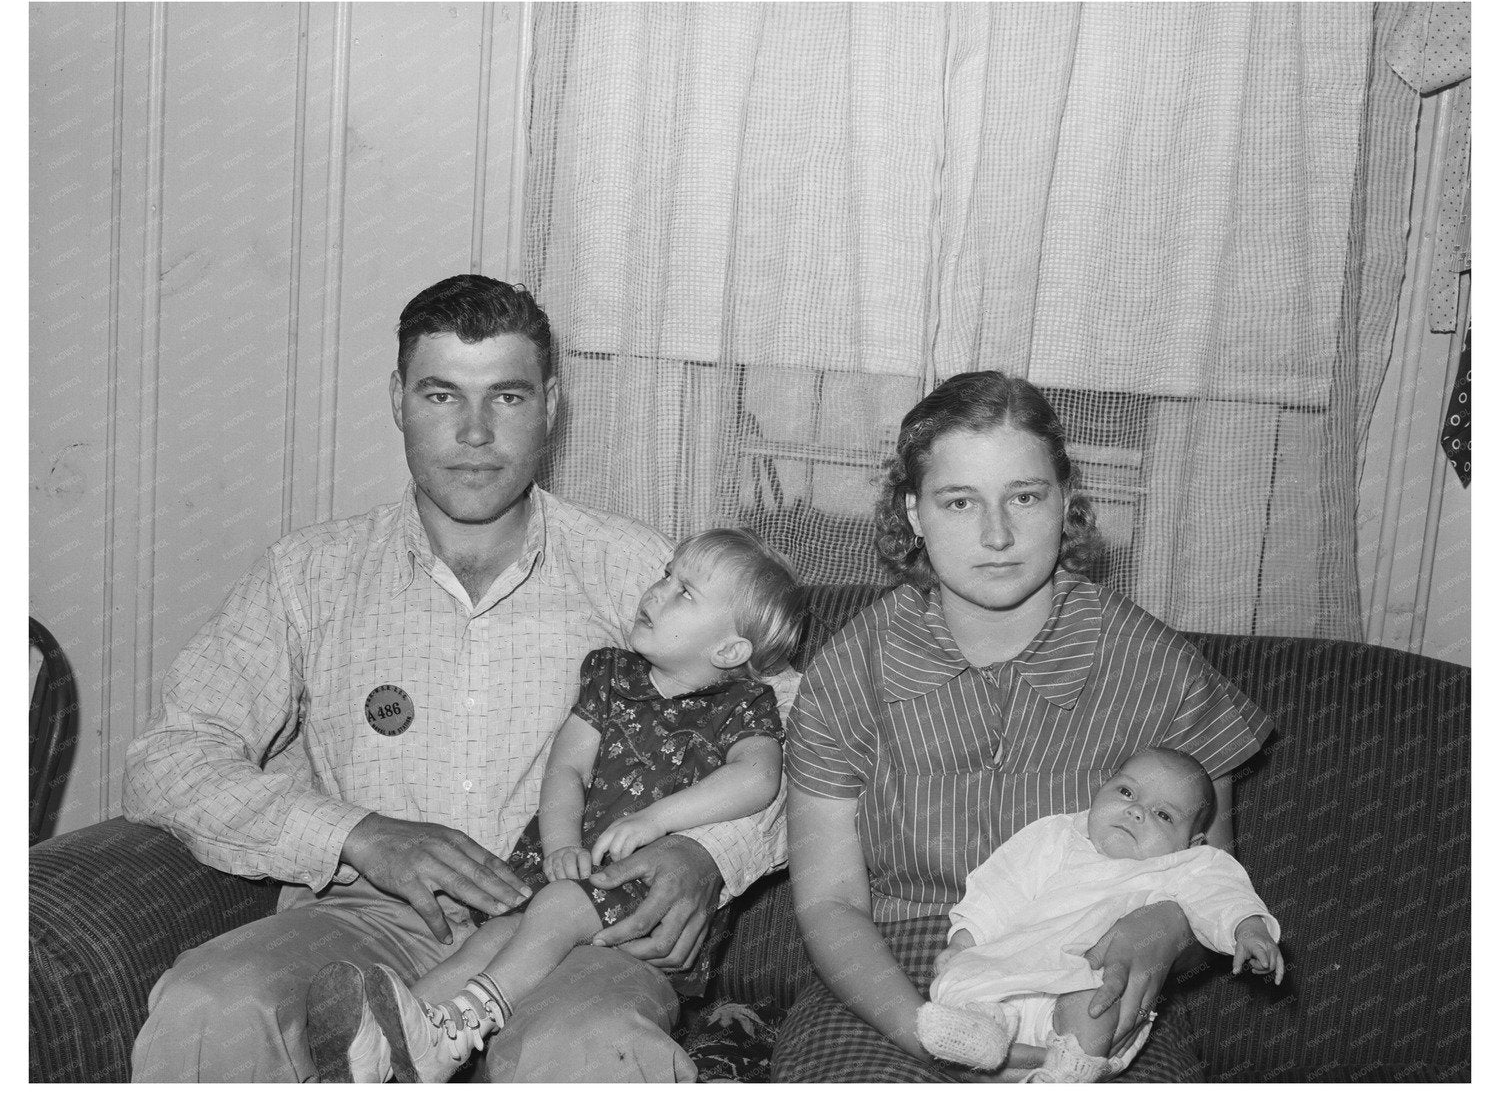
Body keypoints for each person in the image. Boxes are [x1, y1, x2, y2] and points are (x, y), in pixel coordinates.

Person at [124, 275, 785, 1083]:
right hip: (365, 918)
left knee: (589, 1050)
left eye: (506, 397)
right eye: (442, 395)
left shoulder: (641, 572)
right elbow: (171, 756)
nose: (475, 432)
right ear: (398, 399)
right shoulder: (308, 575)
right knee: (212, 1001)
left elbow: (809, 741)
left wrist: (706, 853)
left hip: (580, 926)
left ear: (550, 403)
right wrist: (357, 833)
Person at [775, 370, 1274, 1082]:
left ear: (1066, 499)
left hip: (1092, 989)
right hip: (885, 987)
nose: (998, 534)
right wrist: (923, 1031)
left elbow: (1210, 875)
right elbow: (829, 902)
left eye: (1025, 496)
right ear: (914, 512)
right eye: (958, 501)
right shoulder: (849, 668)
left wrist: (1159, 931)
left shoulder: (1160, 667)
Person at [306, 528, 801, 1082]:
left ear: (729, 651)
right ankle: (384, 1046)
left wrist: (654, 821)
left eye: (685, 592)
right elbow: (566, 767)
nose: (658, 591)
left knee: (559, 905)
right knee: (493, 938)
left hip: (643, 900)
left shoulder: (743, 706)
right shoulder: (611, 677)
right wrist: (560, 841)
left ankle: (461, 1029)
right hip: (570, 876)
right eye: (666, 574)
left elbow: (757, 779)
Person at [917, 747, 1283, 1082]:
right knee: (960, 974)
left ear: (1191, 844)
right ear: (1100, 789)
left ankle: (1067, 1075)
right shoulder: (1058, 837)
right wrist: (966, 940)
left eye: (1163, 815)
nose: (1136, 811)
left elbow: (1223, 893)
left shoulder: (1184, 866)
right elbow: (1001, 886)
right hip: (1010, 967)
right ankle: (983, 1026)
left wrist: (1247, 927)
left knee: (1096, 1001)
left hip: (1083, 988)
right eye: (1126, 793)